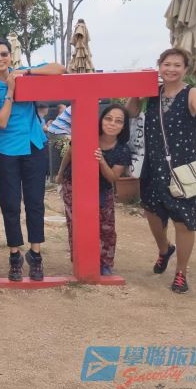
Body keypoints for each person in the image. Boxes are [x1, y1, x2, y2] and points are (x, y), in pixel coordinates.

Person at [127, 49, 196, 293]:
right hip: (153, 166)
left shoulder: (192, 93)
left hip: (182, 168)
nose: (171, 69)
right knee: (152, 214)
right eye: (167, 64)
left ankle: (181, 273)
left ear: (185, 69)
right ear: (159, 66)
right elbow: (131, 112)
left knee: (183, 222)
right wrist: (136, 90)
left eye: (177, 65)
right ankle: (164, 249)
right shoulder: (153, 93)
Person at [0, 37, 65, 281]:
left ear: (10, 56)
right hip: (5, 150)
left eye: (4, 54)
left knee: (35, 202)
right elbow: (1, 121)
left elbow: (60, 69)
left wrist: (27, 72)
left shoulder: (24, 73)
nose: (0, 58)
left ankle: (36, 254)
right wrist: (10, 91)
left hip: (33, 146)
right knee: (10, 204)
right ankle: (14, 255)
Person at [56, 104, 132, 275]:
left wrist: (101, 160)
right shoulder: (87, 136)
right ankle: (80, 260)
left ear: (124, 126)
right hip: (74, 185)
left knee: (106, 228)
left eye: (118, 121)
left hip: (103, 190)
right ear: (101, 120)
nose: (112, 123)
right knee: (76, 225)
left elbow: (113, 177)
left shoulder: (123, 149)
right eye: (108, 118)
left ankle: (105, 263)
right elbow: (69, 154)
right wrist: (60, 174)